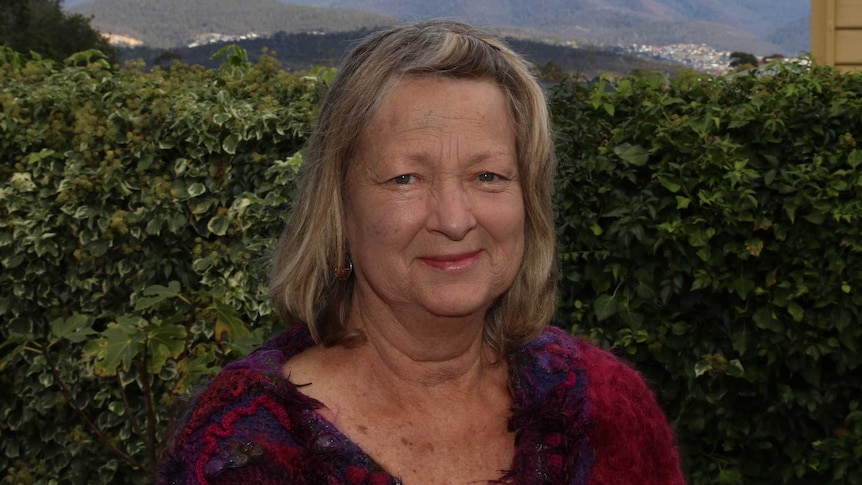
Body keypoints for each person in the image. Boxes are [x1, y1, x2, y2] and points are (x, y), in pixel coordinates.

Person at [159, 19, 685, 485]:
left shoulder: (605, 408)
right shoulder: (244, 448)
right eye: (405, 178)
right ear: (339, 207)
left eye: (488, 175)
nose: (454, 219)